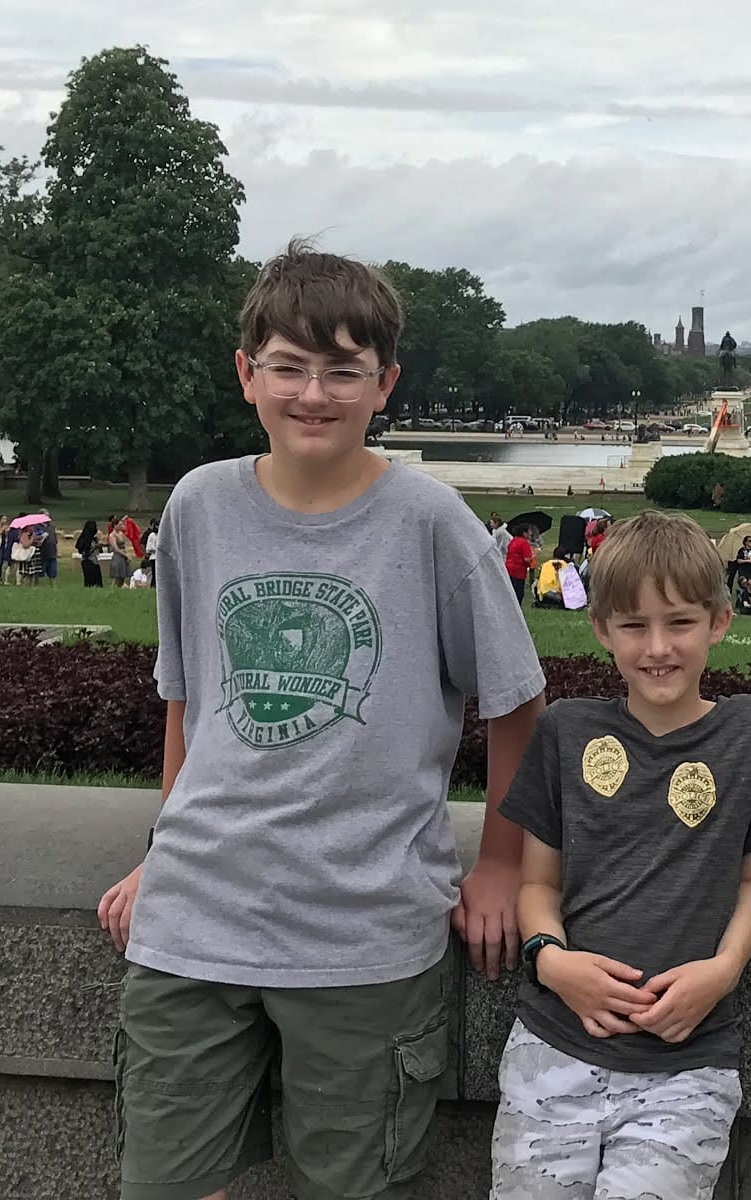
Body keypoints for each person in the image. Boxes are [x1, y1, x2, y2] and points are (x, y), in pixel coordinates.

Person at [95, 240, 548, 1200]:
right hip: (194, 919)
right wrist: (162, 844)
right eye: (289, 367)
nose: (313, 393)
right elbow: (191, 696)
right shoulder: (198, 505)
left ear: (384, 384)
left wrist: (503, 862)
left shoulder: (431, 522)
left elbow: (519, 703)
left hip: (364, 930)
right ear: (246, 374)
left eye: (343, 370)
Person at [491, 510, 751, 1197]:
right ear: (602, 629)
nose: (657, 647)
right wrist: (554, 962)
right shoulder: (565, 731)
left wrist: (721, 973)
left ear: (719, 621)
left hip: (686, 1064)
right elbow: (538, 882)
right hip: (554, 1046)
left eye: (680, 623)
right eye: (633, 626)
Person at [505, 522, 537, 604]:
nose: (531, 533)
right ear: (524, 533)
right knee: (518, 593)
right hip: (518, 571)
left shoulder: (513, 540)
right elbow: (527, 559)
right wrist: (533, 556)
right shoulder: (524, 543)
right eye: (529, 531)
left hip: (509, 569)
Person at [76, 519, 103, 588]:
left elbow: (100, 551)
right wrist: (95, 547)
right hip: (88, 562)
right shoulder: (84, 539)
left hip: (95, 561)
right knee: (89, 582)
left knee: (98, 582)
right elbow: (84, 553)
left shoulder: (94, 538)